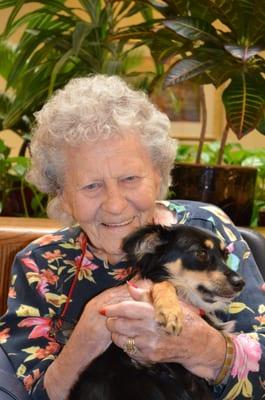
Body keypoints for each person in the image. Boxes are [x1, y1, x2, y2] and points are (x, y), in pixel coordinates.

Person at [0, 74, 264, 400]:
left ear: (158, 174)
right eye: (91, 186)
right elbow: (29, 394)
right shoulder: (40, 265)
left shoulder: (207, 230)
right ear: (62, 195)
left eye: (129, 178)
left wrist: (204, 348)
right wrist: (85, 341)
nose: (114, 204)